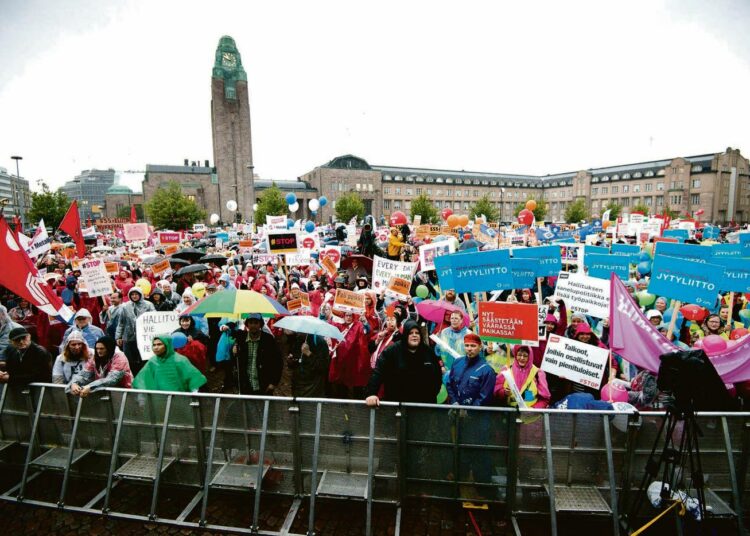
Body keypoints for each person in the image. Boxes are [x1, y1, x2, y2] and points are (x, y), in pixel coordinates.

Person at [365, 320, 442, 406]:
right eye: (411, 333)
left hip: (423, 406)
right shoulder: (392, 351)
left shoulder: (428, 352)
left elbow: (437, 375)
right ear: (405, 335)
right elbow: (378, 373)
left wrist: (432, 394)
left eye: (417, 333)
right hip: (397, 405)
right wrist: (371, 393)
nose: (414, 335)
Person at [229, 313, 282, 395]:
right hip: (245, 385)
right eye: (251, 323)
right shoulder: (241, 338)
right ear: (247, 324)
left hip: (264, 386)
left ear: (260, 324)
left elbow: (278, 362)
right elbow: (235, 361)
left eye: (256, 323)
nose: (253, 325)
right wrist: (233, 351)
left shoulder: (268, 340)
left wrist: (273, 382)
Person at [133, 334, 206, 392]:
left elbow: (193, 379)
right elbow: (142, 380)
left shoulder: (180, 360)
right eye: (154, 345)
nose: (156, 347)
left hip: (179, 400)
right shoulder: (152, 361)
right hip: (158, 400)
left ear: (167, 345)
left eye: (159, 344)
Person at [68, 336, 133, 396]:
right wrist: (74, 383)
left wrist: (90, 386)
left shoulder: (120, 358)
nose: (98, 351)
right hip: (105, 393)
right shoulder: (95, 358)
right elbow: (84, 374)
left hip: (124, 393)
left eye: (102, 349)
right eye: (97, 348)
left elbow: (112, 379)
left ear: (109, 348)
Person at [328, 311, 371, 398]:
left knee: (353, 384)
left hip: (353, 361)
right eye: (347, 315)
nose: (348, 318)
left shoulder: (358, 325)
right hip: (340, 361)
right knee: (341, 385)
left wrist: (365, 323)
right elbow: (329, 327)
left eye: (350, 316)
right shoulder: (340, 325)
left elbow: (367, 332)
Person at [446, 333, 496, 407]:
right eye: (467, 345)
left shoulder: (487, 370)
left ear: (480, 347)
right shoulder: (457, 362)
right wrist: (454, 401)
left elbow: (484, 396)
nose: (469, 349)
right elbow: (449, 383)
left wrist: (470, 410)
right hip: (455, 409)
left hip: (475, 415)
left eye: (473, 346)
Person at [115, 286, 155, 375]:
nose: (134, 296)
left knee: (144, 359)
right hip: (129, 337)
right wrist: (118, 337)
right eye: (132, 294)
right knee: (130, 360)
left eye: (136, 294)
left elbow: (154, 320)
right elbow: (121, 323)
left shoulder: (148, 305)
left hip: (144, 337)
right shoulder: (125, 306)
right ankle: (133, 376)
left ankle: (146, 376)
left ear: (140, 295)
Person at [286, 333, 330, 397]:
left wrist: (309, 353)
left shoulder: (319, 342)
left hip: (312, 388)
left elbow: (323, 366)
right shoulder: (297, 340)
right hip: (297, 386)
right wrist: (291, 361)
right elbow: (298, 362)